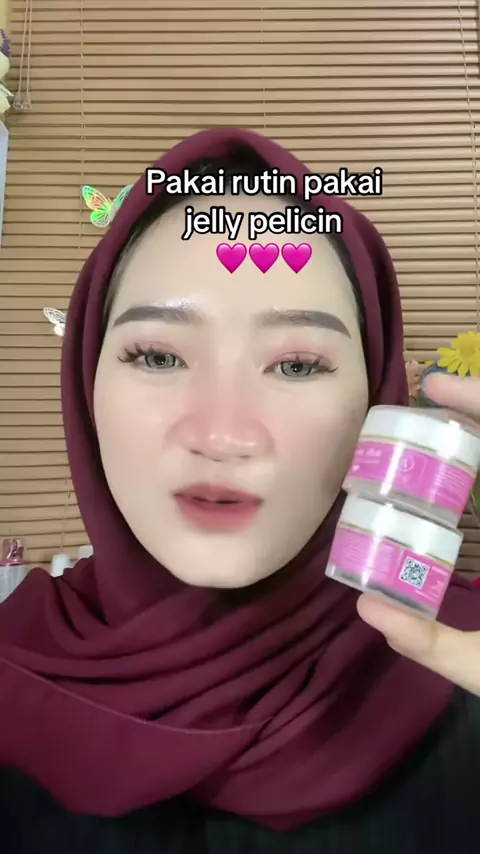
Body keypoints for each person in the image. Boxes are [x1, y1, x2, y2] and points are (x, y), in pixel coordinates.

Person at [0, 127, 479, 853]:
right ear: (84, 385)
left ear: (378, 395)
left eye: (297, 365)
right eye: (157, 355)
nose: (222, 435)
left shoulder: (460, 669)